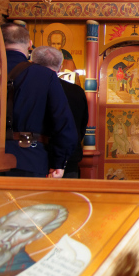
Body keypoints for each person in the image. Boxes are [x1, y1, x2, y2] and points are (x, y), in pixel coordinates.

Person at [0, 23, 77, 179]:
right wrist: (58, 163)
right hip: (29, 159)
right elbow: (63, 123)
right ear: (29, 45)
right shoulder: (44, 75)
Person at [30, 46, 88, 179]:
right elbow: (81, 126)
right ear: (60, 68)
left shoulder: (28, 89)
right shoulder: (76, 91)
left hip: (35, 157)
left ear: (32, 64)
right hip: (68, 158)